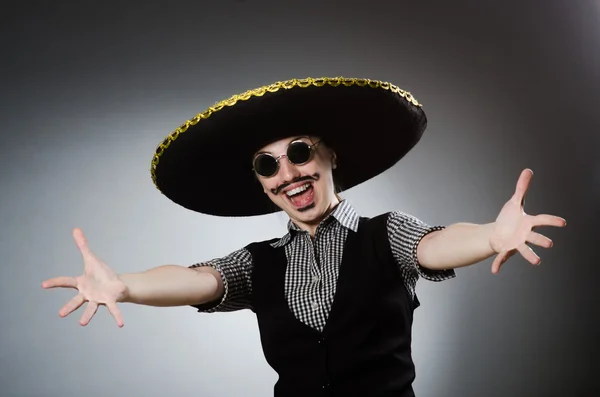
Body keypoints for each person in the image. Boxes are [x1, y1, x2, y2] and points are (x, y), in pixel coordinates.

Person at [42, 77, 566, 397]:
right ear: (262, 183)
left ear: (330, 155)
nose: (287, 173)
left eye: (299, 152)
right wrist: (126, 286)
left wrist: (492, 237)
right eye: (267, 165)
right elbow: (196, 279)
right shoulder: (257, 262)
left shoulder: (387, 235)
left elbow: (436, 245)